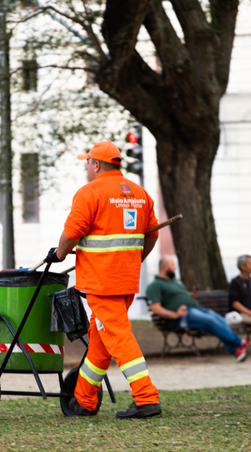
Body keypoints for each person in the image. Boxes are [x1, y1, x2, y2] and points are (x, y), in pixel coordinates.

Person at [48, 140, 161, 419]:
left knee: (119, 338)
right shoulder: (140, 194)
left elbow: (73, 232)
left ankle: (146, 397)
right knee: (101, 342)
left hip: (101, 281)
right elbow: (153, 234)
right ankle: (83, 399)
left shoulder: (90, 193)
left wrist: (60, 254)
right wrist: (134, 260)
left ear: (96, 165)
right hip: (125, 280)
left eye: (87, 162)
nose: (86, 167)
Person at [146, 257, 251, 362]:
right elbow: (155, 308)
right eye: (172, 265)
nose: (175, 268)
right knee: (210, 321)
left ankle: (237, 351)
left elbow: (180, 297)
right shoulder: (155, 285)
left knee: (220, 320)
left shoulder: (175, 282)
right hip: (182, 316)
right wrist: (175, 315)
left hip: (196, 309)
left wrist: (192, 295)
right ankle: (241, 343)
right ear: (164, 267)